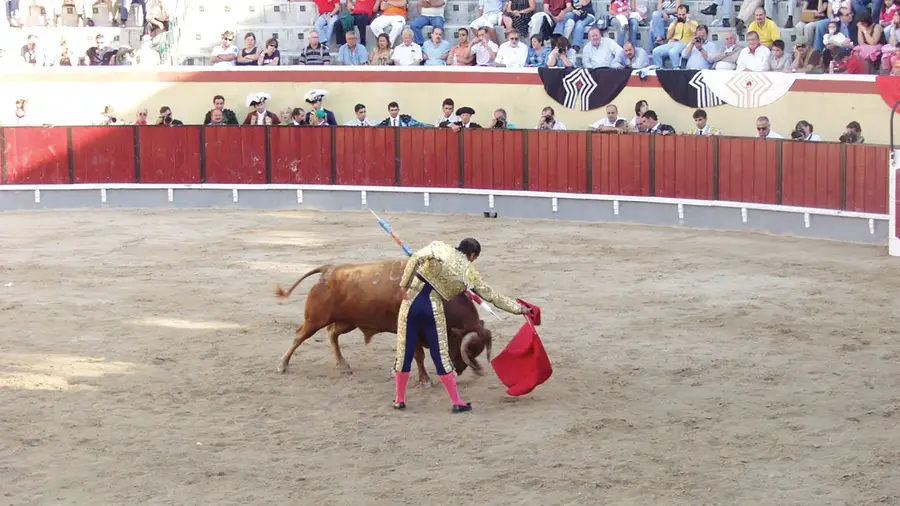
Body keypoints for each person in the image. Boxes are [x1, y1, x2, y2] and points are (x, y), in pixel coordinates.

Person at [393, 238, 531, 413]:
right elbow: (492, 296)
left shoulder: (439, 247)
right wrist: (519, 309)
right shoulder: (470, 273)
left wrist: (404, 285)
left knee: (404, 350)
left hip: (410, 304)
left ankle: (399, 400)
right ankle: (456, 402)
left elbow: (415, 258)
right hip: (433, 308)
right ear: (472, 255)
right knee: (440, 355)